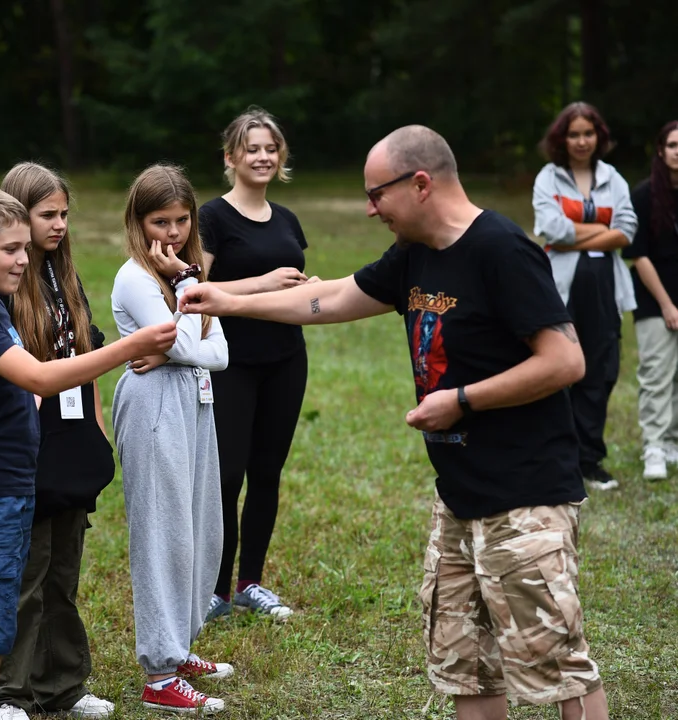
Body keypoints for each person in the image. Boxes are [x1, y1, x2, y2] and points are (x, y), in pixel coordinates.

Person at [179, 126, 609, 719]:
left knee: (556, 666)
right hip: (459, 497)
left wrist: (461, 399)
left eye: (377, 194)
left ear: (421, 184)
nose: (369, 208)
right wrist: (228, 301)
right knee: (466, 664)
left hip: (526, 496)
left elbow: (566, 360)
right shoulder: (416, 253)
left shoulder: (501, 250)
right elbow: (329, 299)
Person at [0, 188, 176, 720]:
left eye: (27, 249)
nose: (25, 261)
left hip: (6, 486)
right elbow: (41, 378)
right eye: (11, 250)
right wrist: (127, 347)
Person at [0, 163, 116, 720]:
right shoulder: (6, 287)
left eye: (65, 213)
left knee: (64, 572)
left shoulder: (66, 280)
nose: (60, 224)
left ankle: (62, 685)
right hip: (27, 444)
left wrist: (97, 427)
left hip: (71, 440)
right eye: (48, 214)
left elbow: (84, 361)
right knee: (28, 574)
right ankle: (9, 693)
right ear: (17, 216)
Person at [111, 164, 232, 714]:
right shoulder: (136, 277)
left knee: (200, 525)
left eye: (182, 220)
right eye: (161, 221)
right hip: (152, 403)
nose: (173, 232)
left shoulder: (190, 271)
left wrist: (179, 336)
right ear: (139, 222)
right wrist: (185, 294)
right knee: (163, 531)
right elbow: (183, 339)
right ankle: (158, 674)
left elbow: (218, 353)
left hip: (195, 400)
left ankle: (179, 646)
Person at [200, 106, 312, 621]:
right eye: (253, 148)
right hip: (232, 363)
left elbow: (295, 286)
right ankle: (216, 590)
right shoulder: (211, 218)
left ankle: (251, 583)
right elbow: (195, 291)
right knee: (226, 476)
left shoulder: (287, 220)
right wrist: (264, 283)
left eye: (271, 148)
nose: (263, 156)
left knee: (268, 472)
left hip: (286, 359)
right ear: (231, 157)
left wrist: (308, 291)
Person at [532, 102, 638, 490]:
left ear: (599, 137)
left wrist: (577, 232)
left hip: (605, 286)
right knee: (558, 369)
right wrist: (603, 229)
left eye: (588, 134)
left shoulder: (613, 178)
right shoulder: (548, 178)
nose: (581, 141)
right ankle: (555, 457)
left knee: (600, 371)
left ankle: (588, 459)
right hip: (559, 286)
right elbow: (551, 229)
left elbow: (627, 231)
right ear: (562, 138)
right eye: (574, 134)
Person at [623, 120, 678, 480]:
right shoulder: (643, 195)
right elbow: (638, 255)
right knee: (657, 374)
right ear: (660, 150)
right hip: (654, 300)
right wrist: (667, 305)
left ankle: (672, 442)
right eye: (673, 145)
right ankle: (654, 447)